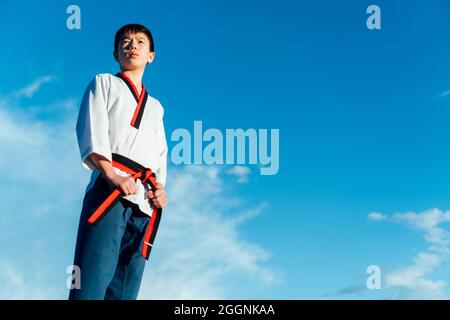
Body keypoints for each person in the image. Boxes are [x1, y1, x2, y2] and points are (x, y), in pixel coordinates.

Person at [69, 23, 168, 300]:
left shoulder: (157, 107)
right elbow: (92, 128)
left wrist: (159, 189)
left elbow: (160, 153)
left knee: (126, 288)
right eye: (125, 42)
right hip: (109, 191)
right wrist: (111, 175)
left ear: (151, 55)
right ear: (116, 54)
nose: (132, 46)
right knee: (90, 282)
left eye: (139, 42)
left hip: (143, 202)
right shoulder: (103, 82)